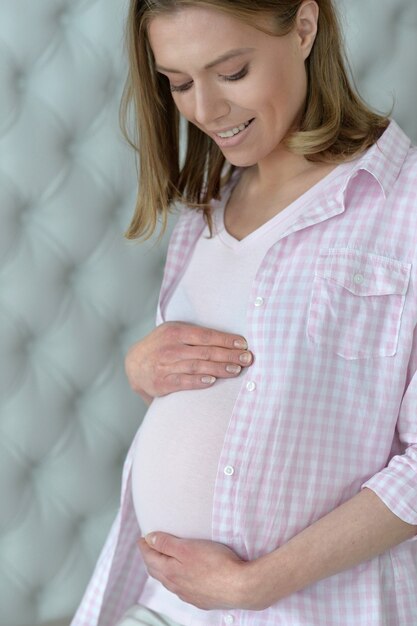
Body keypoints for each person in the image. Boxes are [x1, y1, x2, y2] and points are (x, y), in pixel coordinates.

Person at [72, 0, 417, 624]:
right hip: (162, 605)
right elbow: (248, 404)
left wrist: (254, 585)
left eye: (231, 72)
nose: (206, 111)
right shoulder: (203, 212)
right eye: (178, 83)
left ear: (305, 28)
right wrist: (145, 371)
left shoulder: (403, 209)